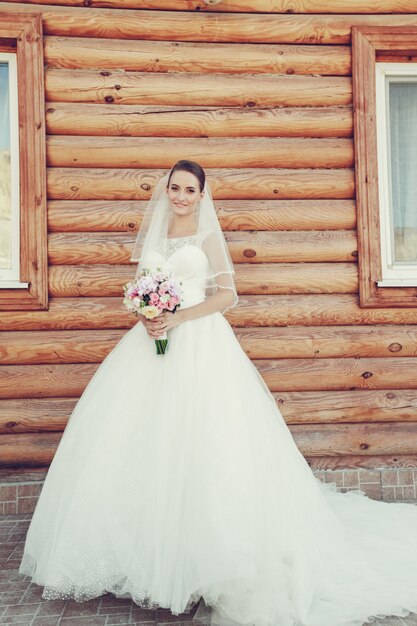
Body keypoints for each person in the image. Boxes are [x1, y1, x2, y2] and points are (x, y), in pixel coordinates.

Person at [19, 159, 417, 626]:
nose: (182, 196)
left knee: (205, 442)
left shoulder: (207, 237)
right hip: (149, 349)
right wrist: (148, 315)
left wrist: (180, 318)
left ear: (203, 195)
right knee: (142, 442)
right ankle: (142, 555)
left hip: (201, 344)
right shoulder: (156, 234)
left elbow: (227, 295)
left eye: (190, 189)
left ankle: (203, 561)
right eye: (175, 188)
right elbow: (143, 289)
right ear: (165, 191)